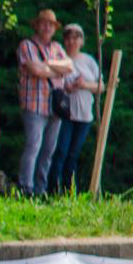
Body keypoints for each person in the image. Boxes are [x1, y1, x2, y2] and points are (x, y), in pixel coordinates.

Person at [16, 8, 74, 196]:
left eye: (51, 24)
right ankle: (26, 187)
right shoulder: (27, 45)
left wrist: (47, 65)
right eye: (44, 23)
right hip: (34, 104)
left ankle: (41, 189)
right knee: (33, 145)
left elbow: (69, 66)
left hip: (54, 107)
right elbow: (35, 70)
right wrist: (56, 68)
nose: (47, 27)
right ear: (37, 25)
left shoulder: (57, 47)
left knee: (48, 151)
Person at [47, 24, 104, 195]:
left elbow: (101, 86)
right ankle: (52, 190)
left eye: (75, 38)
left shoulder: (89, 61)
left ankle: (68, 191)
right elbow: (52, 81)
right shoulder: (60, 58)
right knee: (60, 152)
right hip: (65, 113)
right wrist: (67, 87)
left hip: (84, 114)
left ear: (81, 40)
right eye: (68, 38)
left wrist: (84, 85)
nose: (72, 41)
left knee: (73, 154)